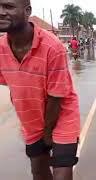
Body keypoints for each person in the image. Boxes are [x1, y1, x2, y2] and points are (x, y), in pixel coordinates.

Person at [0, 0, 80, 179]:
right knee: (39, 172)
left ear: (27, 10)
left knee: (62, 172)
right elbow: (12, 81)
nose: (1, 12)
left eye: (8, 6)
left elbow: (56, 97)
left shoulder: (52, 46)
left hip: (61, 115)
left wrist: (47, 133)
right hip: (31, 120)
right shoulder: (0, 49)